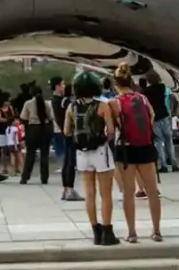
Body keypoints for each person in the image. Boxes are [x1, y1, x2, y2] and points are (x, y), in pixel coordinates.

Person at [66, 71, 120, 246]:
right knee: (106, 194)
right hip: (100, 151)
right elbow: (111, 131)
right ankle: (107, 232)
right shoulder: (102, 106)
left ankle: (95, 231)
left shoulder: (71, 107)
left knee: (89, 193)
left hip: (81, 153)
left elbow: (67, 131)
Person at [113, 64, 161, 242]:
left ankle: (132, 233)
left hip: (126, 150)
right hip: (146, 147)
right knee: (152, 191)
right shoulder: (142, 98)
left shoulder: (116, 101)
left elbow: (112, 126)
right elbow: (151, 117)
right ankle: (156, 231)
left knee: (128, 192)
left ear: (116, 83)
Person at [19, 85, 52, 185]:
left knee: (30, 155)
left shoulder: (28, 103)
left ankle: (25, 177)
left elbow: (23, 118)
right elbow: (50, 118)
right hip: (44, 129)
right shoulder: (46, 104)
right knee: (44, 155)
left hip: (32, 129)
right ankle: (44, 178)